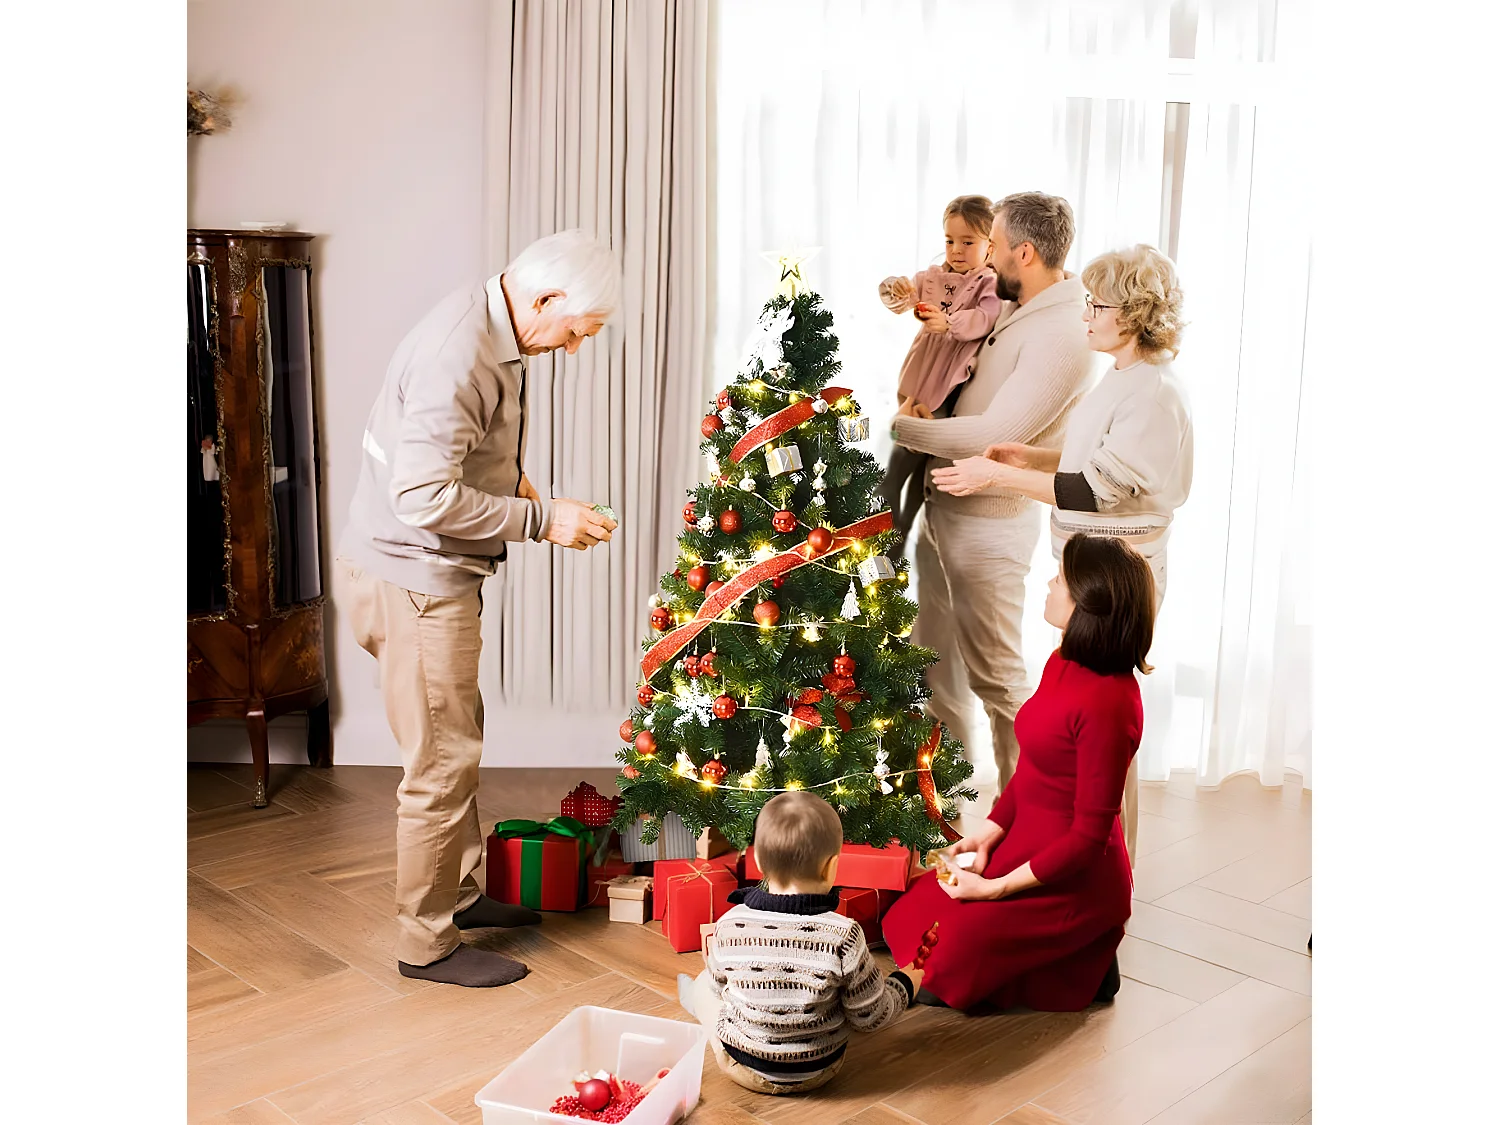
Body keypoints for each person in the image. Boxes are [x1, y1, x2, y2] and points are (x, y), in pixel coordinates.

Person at [333, 229, 621, 988]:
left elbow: (451, 450)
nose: (574, 346)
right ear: (545, 299)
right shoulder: (459, 352)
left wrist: (521, 484)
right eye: (574, 329)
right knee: (439, 761)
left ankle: (458, 898)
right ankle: (426, 943)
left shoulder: (489, 321)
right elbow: (422, 495)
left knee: (452, 742)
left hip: (413, 573)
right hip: (416, 584)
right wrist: (541, 520)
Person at [930, 243, 1192, 861]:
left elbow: (1095, 491)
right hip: (1091, 567)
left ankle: (1104, 857)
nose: (1086, 315)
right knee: (1080, 717)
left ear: (1131, 314)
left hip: (1118, 577)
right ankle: (1078, 846)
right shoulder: (1123, 378)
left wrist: (994, 479)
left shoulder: (1153, 393)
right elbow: (1089, 462)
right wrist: (1030, 458)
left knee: (1102, 724)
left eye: (1097, 305)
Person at [881, 535, 1155, 1012]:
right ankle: (1067, 959)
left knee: (952, 951)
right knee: (911, 914)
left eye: (1062, 580)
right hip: (1027, 839)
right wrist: (988, 834)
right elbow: (1033, 767)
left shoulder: (1111, 706)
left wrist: (994, 889)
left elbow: (1089, 839)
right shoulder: (1063, 661)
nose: (1049, 584)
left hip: (1073, 874)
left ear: (1088, 604)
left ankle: (1086, 961)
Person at [890, 191, 1097, 790]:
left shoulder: (1062, 333)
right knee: (937, 670)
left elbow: (996, 433)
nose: (985, 261)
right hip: (946, 506)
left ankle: (1029, 812)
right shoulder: (1015, 303)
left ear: (1024, 253)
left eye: (997, 249)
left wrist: (899, 426)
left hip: (989, 526)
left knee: (998, 679)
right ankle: (945, 809)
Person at [678, 792, 921, 1094]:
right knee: (846, 994)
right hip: (819, 1070)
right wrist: (905, 983)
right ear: (831, 867)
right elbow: (872, 1017)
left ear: (757, 860)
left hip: (742, 1065)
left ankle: (693, 1000)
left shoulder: (730, 924)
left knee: (706, 986)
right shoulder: (845, 935)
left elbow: (719, 987)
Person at [876, 194, 1003, 557]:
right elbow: (902, 296)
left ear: (990, 246)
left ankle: (897, 532)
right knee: (905, 451)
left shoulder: (987, 283)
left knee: (921, 457)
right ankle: (885, 518)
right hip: (921, 374)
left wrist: (948, 322)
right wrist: (896, 290)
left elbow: (985, 318)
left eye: (968, 242)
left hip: (948, 382)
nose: (956, 250)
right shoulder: (933, 278)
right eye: (950, 240)